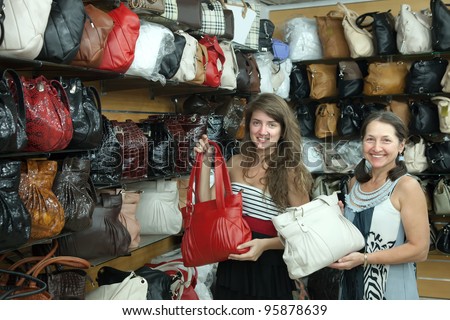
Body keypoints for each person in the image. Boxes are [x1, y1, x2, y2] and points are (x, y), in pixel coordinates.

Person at [194, 93, 313, 300]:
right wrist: (205, 163)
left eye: (271, 125)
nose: (262, 131)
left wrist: (264, 245)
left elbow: (305, 232)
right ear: (248, 126)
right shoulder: (236, 162)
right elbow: (206, 204)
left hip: (271, 269)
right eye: (256, 123)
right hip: (232, 266)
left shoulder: (290, 171)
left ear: (283, 130)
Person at [329, 111, 429, 300]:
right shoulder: (354, 184)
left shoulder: (406, 187)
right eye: (370, 139)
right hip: (351, 287)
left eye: (386, 140)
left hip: (389, 291)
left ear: (401, 145)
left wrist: (365, 259)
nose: (376, 147)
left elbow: (420, 249)